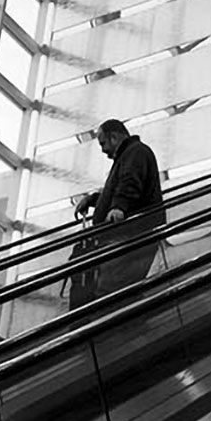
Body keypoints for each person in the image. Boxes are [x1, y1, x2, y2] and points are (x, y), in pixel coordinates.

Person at [70, 119, 166, 303]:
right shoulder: (129, 155)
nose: (103, 149)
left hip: (131, 235)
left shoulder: (135, 152)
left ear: (114, 137)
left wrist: (118, 207)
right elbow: (120, 188)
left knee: (111, 288)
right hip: (130, 234)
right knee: (116, 286)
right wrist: (94, 200)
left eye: (103, 143)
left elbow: (130, 182)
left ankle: (117, 325)